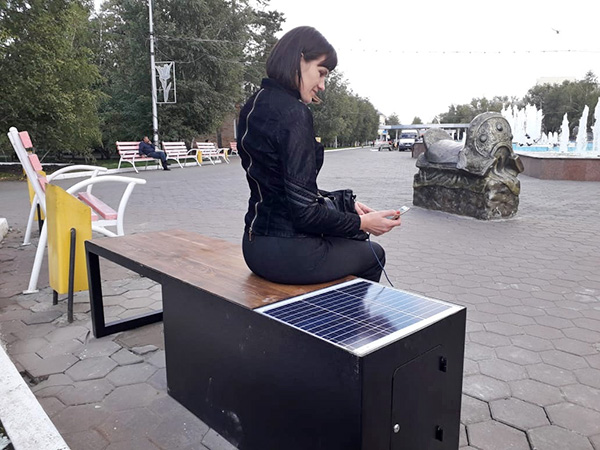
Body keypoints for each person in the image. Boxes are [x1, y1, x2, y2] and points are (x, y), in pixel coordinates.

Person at [237, 26, 402, 285]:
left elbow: (281, 186)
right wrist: (362, 223)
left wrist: (345, 205)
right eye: (321, 72)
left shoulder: (253, 105)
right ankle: (339, 312)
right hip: (290, 254)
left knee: (347, 242)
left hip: (254, 246)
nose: (322, 85)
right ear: (299, 58)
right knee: (373, 254)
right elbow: (305, 214)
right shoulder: (294, 114)